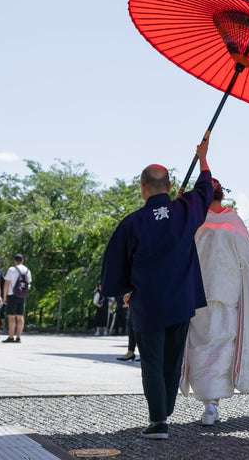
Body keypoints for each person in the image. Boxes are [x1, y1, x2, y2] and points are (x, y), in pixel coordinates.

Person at [101, 137, 214, 440]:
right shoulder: (185, 210)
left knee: (151, 360)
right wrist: (203, 157)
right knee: (172, 359)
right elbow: (205, 188)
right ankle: (165, 410)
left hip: (148, 302)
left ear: (142, 188)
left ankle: (158, 421)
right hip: (180, 300)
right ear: (170, 185)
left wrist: (123, 289)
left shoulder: (132, 222)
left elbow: (114, 262)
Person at [181, 176, 249, 427]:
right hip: (228, 293)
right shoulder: (233, 221)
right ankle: (213, 403)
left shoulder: (195, 221)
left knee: (200, 345)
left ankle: (207, 403)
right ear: (222, 196)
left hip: (199, 292)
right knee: (224, 346)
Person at [3, 253, 32, 343]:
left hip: (12, 294)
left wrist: (4, 296)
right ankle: (18, 337)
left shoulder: (11, 269)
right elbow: (29, 283)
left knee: (11, 316)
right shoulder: (27, 270)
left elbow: (7, 283)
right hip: (22, 295)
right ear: (22, 261)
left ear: (15, 261)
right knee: (20, 316)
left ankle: (11, 336)